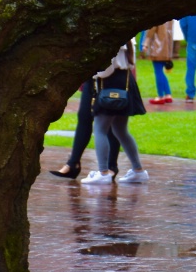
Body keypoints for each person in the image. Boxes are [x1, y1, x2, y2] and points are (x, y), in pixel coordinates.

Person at [81, 41, 149, 184]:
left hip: (109, 83)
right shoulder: (129, 35)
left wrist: (92, 73)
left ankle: (103, 172)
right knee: (120, 129)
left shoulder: (113, 36)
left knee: (100, 128)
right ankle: (138, 170)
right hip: (124, 81)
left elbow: (106, 69)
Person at [49, 78, 121, 179]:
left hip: (112, 79)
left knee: (109, 122)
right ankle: (73, 164)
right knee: (84, 117)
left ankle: (111, 166)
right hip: (93, 79)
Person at [142, 21, 174, 104]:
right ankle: (168, 94)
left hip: (157, 48)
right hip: (167, 48)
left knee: (158, 72)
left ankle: (160, 96)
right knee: (161, 72)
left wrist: (145, 44)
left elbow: (150, 31)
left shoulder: (156, 15)